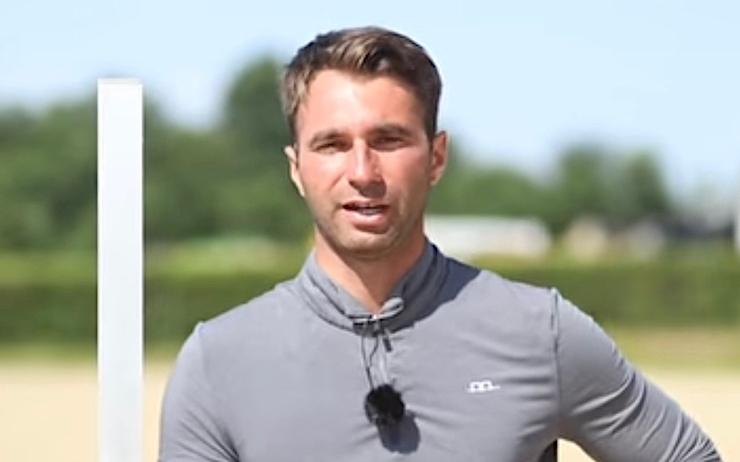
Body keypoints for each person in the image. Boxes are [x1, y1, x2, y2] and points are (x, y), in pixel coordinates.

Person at [159, 26, 721, 461]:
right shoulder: (218, 363)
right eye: (333, 145)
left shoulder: (540, 332)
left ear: (436, 157)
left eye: (389, 140)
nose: (362, 172)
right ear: (296, 168)